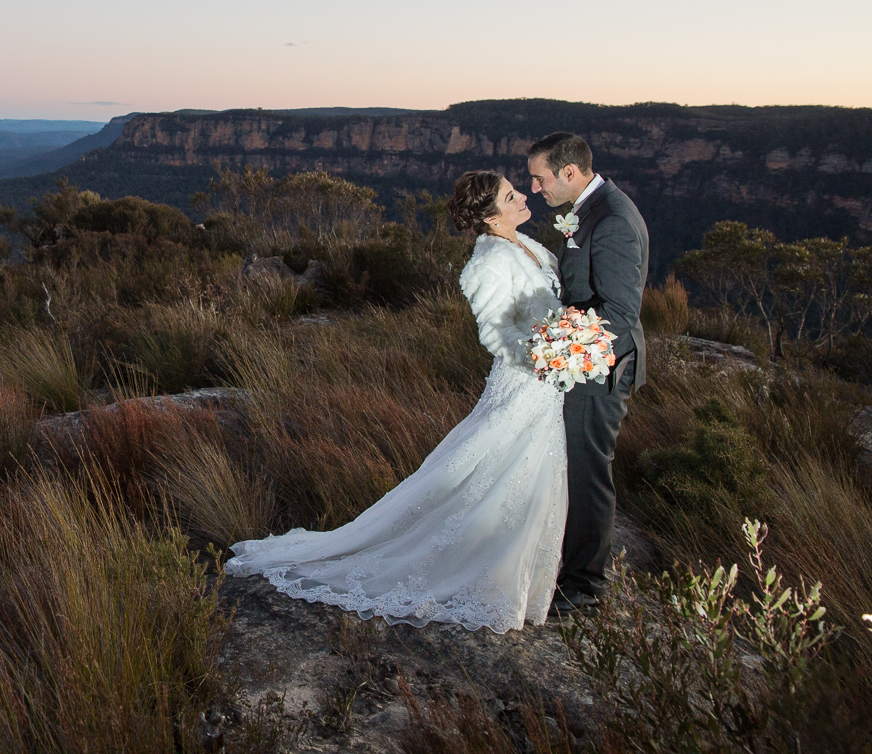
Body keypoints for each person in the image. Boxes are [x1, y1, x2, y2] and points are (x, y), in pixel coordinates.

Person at [225, 170, 568, 633]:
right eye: (511, 195)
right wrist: (546, 357)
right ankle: (475, 569)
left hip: (546, 387)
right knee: (492, 470)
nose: (523, 196)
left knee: (528, 476)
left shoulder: (528, 245)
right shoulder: (487, 261)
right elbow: (494, 332)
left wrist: (568, 343)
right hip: (524, 382)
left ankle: (520, 576)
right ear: (489, 216)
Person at [527, 132, 648, 617]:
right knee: (573, 467)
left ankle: (584, 587)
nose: (535, 189)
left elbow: (619, 312)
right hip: (584, 359)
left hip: (599, 368)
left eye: (540, 179)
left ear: (570, 173)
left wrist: (561, 349)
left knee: (587, 471)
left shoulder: (614, 220)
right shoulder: (590, 207)